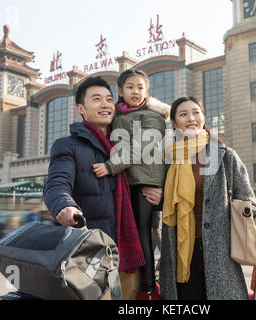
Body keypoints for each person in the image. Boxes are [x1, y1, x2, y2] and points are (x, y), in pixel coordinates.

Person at [159, 97, 256, 300]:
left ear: (203, 118)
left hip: (221, 253)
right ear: (174, 124)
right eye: (183, 114)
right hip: (180, 254)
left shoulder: (225, 157)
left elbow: (247, 202)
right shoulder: (167, 159)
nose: (191, 118)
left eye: (196, 112)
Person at [43, 76, 146, 299]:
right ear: (81, 108)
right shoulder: (68, 146)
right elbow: (56, 183)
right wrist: (65, 206)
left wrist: (155, 191)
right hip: (92, 255)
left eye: (109, 99)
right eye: (96, 99)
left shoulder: (125, 147)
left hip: (130, 254)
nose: (105, 104)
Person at [92, 69, 169, 300]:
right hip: (123, 182)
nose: (135, 91)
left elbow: (138, 148)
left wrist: (111, 166)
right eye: (130, 87)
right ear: (120, 91)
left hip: (145, 182)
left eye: (140, 87)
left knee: (142, 233)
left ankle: (147, 288)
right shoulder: (113, 116)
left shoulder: (154, 118)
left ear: (147, 92)